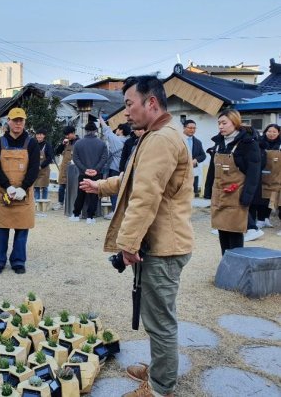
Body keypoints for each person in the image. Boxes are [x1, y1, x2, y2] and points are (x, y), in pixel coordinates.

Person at [80, 76, 193, 397]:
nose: (126, 112)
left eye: (130, 104)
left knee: (160, 321)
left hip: (162, 247)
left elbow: (145, 196)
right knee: (155, 315)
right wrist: (100, 185)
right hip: (158, 244)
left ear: (151, 103)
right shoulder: (157, 135)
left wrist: (127, 245)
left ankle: (160, 387)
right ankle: (160, 370)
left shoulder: (160, 140)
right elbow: (133, 178)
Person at [0, 107, 39, 274]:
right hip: (4, 192)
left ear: (24, 122)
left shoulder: (31, 143)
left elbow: (34, 169)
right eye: (15, 120)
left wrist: (23, 188)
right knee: (0, 230)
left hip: (23, 195)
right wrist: (7, 186)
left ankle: (18, 261)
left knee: (22, 230)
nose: (18, 123)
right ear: (8, 121)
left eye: (21, 120)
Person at [205, 109, 261, 255]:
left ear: (235, 123)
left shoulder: (248, 143)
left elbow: (253, 173)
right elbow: (212, 169)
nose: (220, 127)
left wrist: (247, 196)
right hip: (220, 195)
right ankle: (226, 264)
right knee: (222, 231)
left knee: (234, 232)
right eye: (219, 123)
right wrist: (208, 191)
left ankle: (237, 268)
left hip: (237, 195)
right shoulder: (219, 143)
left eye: (224, 123)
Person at [69, 121, 108, 224]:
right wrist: (96, 169)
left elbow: (75, 158)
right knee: (94, 195)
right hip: (97, 173)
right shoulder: (102, 143)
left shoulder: (78, 143)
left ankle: (76, 214)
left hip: (83, 173)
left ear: (85, 130)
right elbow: (104, 157)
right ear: (95, 131)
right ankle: (90, 217)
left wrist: (84, 169)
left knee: (80, 194)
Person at [99, 117, 131, 218]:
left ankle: (115, 212)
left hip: (115, 168)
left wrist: (100, 118)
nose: (116, 130)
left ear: (121, 130)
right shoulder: (129, 141)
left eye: (117, 129)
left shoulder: (116, 140)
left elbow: (107, 131)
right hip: (126, 168)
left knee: (114, 190)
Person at [254, 124, 281, 231]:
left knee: (272, 198)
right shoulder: (259, 143)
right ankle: (260, 220)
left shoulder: (280, 144)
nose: (271, 134)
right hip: (261, 174)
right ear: (265, 132)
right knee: (262, 198)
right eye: (269, 131)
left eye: (274, 132)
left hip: (276, 175)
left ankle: (266, 218)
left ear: (278, 133)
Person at [53, 126, 78, 210]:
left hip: (75, 168)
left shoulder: (79, 142)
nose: (67, 136)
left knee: (73, 187)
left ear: (73, 132)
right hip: (64, 167)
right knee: (61, 186)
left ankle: (73, 203)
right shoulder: (65, 142)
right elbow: (57, 152)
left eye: (68, 134)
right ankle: (60, 203)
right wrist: (62, 144)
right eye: (66, 135)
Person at [182, 119, 206, 197]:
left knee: (192, 194)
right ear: (184, 128)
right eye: (190, 128)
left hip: (193, 171)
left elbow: (203, 155)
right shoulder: (177, 139)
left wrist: (196, 160)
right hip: (180, 170)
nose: (192, 130)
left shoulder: (197, 142)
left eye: (194, 128)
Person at [33, 129, 54, 200]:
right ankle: (37, 202)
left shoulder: (47, 145)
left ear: (44, 136)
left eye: (41, 134)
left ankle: (44, 202)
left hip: (44, 169)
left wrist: (41, 165)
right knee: (36, 186)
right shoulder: (33, 144)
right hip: (35, 169)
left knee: (44, 186)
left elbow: (50, 158)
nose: (39, 136)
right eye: (37, 134)